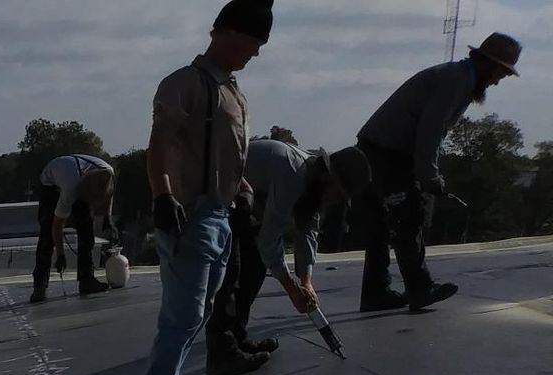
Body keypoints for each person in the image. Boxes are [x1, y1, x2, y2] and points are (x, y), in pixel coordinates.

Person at [135, 0, 273, 375]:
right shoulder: (186, 84)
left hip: (218, 215)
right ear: (227, 33)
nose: (255, 53)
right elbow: (161, 141)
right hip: (191, 217)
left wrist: (244, 189)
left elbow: (225, 154)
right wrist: (163, 195)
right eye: (253, 43)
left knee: (197, 315)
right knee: (181, 317)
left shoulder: (231, 91)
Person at [355, 32, 522, 313]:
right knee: (408, 216)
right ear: (488, 65)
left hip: (372, 150)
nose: (496, 82)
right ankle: (420, 288)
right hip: (388, 155)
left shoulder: (459, 78)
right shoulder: (457, 80)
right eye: (500, 75)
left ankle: (376, 293)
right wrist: (429, 178)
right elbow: (430, 131)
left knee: (380, 226)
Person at [206, 139, 372, 355]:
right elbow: (269, 239)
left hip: (244, 202)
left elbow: (309, 229)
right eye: (337, 193)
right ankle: (221, 352)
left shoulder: (313, 186)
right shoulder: (293, 174)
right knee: (232, 271)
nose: (334, 201)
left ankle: (237, 337)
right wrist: (291, 287)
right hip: (216, 191)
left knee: (254, 269)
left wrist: (306, 282)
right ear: (327, 177)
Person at [31, 155, 116, 303]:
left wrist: (108, 218)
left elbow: (109, 194)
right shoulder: (70, 189)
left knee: (86, 225)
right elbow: (57, 225)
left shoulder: (107, 173)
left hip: (75, 174)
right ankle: (40, 285)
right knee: (47, 233)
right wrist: (61, 254)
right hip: (51, 185)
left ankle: (86, 279)